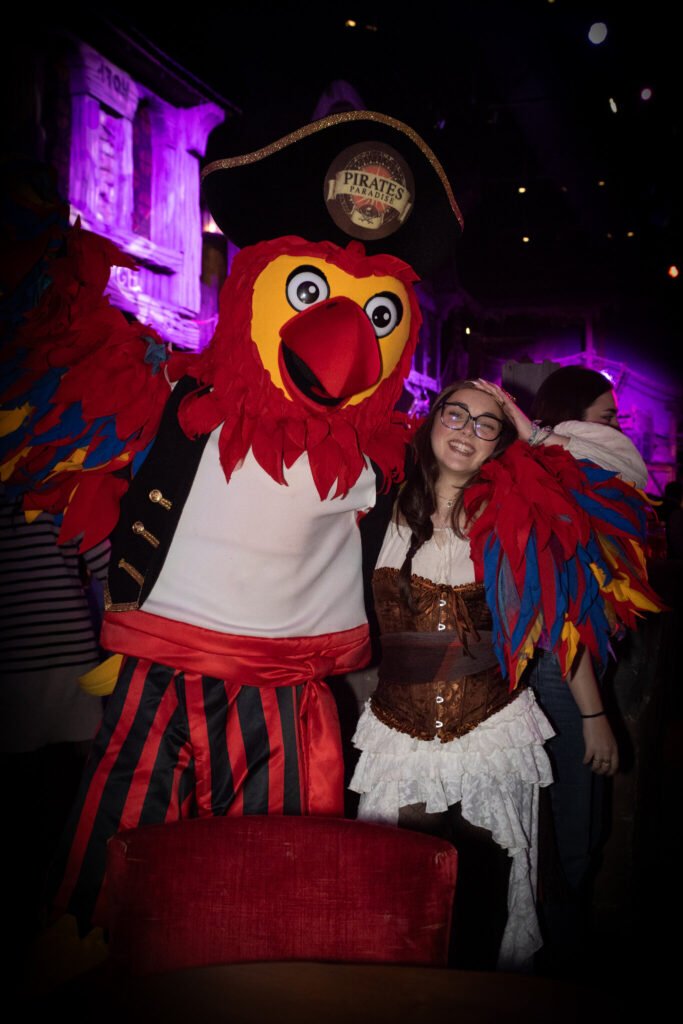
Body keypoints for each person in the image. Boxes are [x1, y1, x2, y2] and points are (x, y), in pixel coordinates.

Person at [350, 378, 629, 973]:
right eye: (455, 414)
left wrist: (594, 716)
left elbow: (561, 619)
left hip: (491, 736)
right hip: (399, 738)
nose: (466, 431)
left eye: (486, 424)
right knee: (401, 891)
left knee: (483, 895)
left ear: (501, 444)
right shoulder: (377, 504)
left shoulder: (513, 519)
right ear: (431, 420)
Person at [475, 366, 647, 972]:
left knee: (573, 837)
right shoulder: (552, 478)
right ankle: (556, 976)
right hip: (564, 676)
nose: (619, 429)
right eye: (608, 416)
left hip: (570, 673)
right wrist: (594, 715)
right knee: (568, 841)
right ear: (574, 416)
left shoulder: (572, 472)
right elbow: (561, 613)